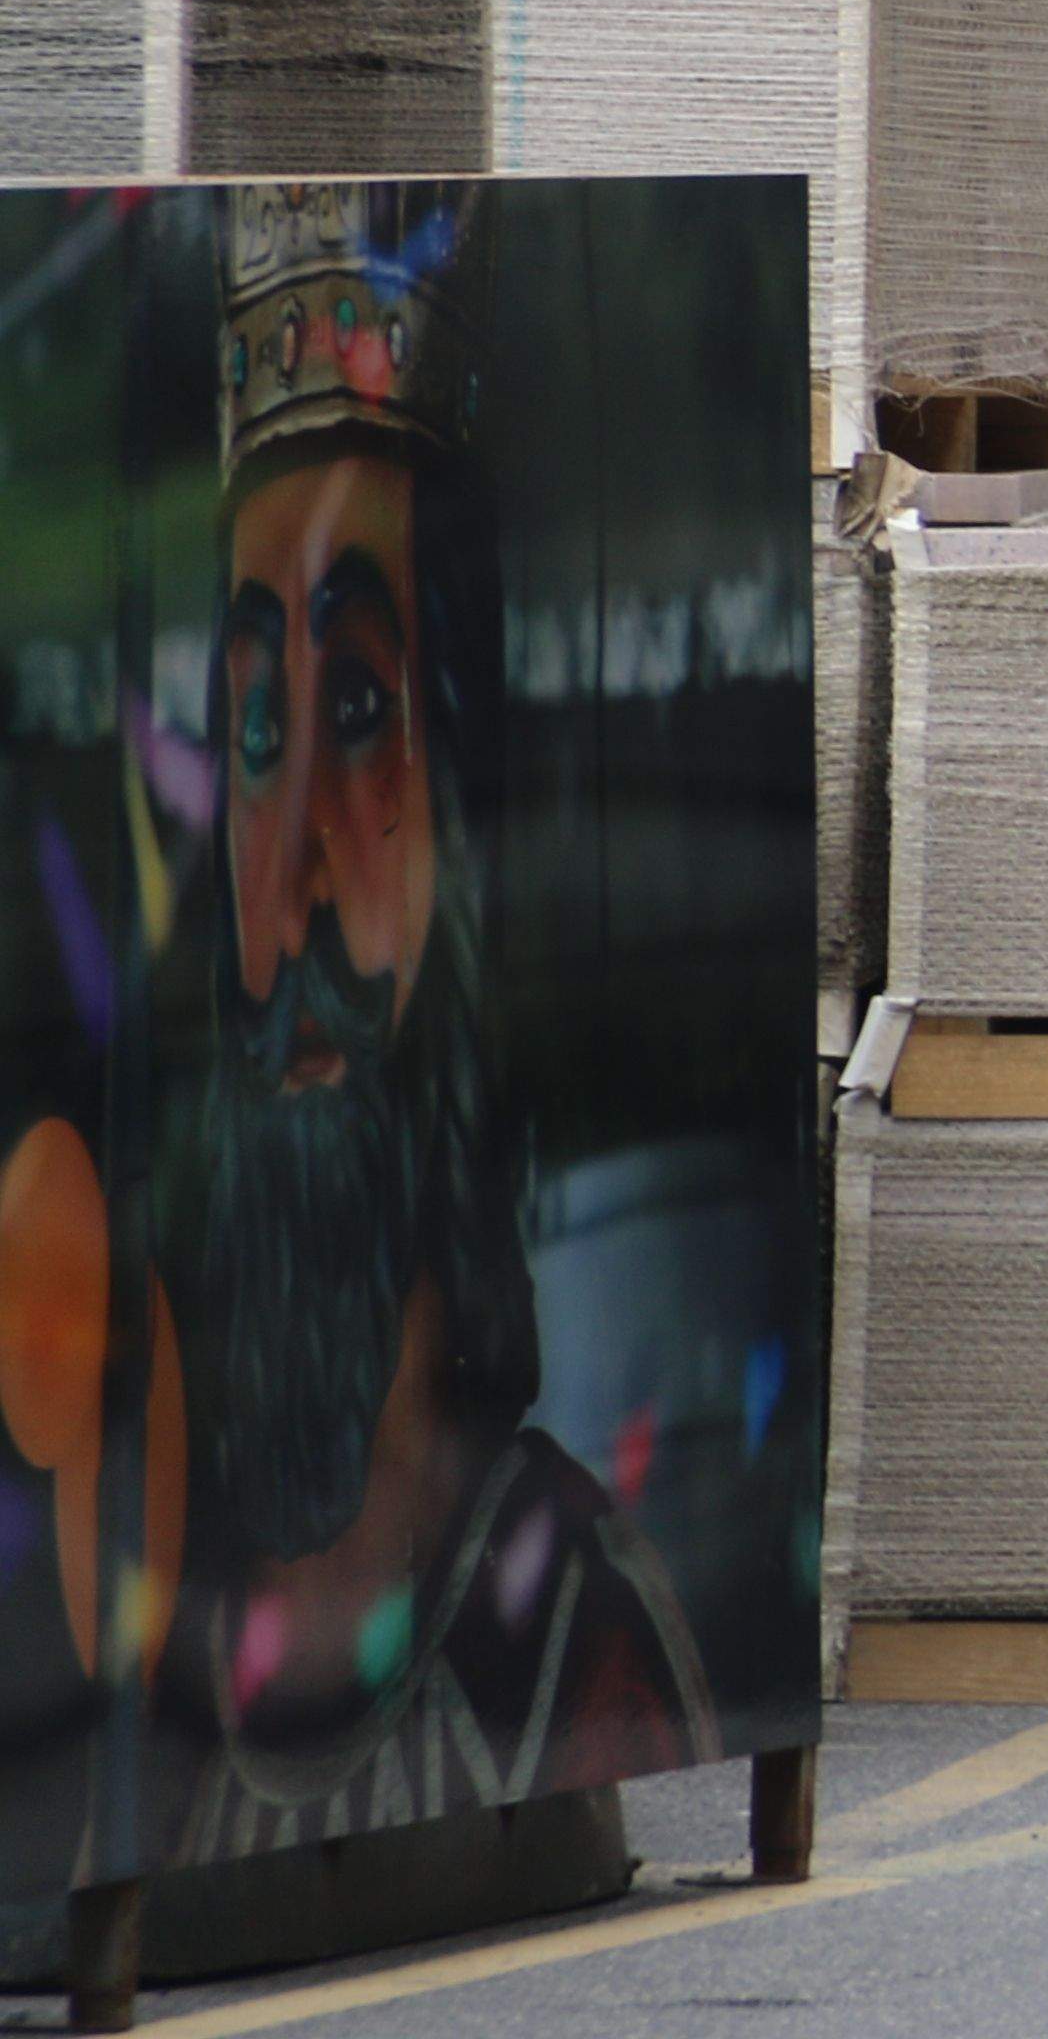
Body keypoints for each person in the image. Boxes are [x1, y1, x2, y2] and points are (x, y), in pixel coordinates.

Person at [137, 183, 714, 1850]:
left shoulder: (564, 1634)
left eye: (366, 712)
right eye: (257, 731)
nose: (299, 863)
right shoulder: (151, 1649)